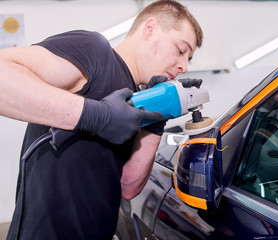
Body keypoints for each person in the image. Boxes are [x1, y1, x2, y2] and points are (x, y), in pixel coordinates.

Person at [0, 0, 203, 239]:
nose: (184, 66)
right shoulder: (95, 52)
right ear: (150, 29)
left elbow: (128, 186)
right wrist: (95, 116)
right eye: (181, 50)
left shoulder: (137, 97)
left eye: (189, 58)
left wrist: (158, 119)